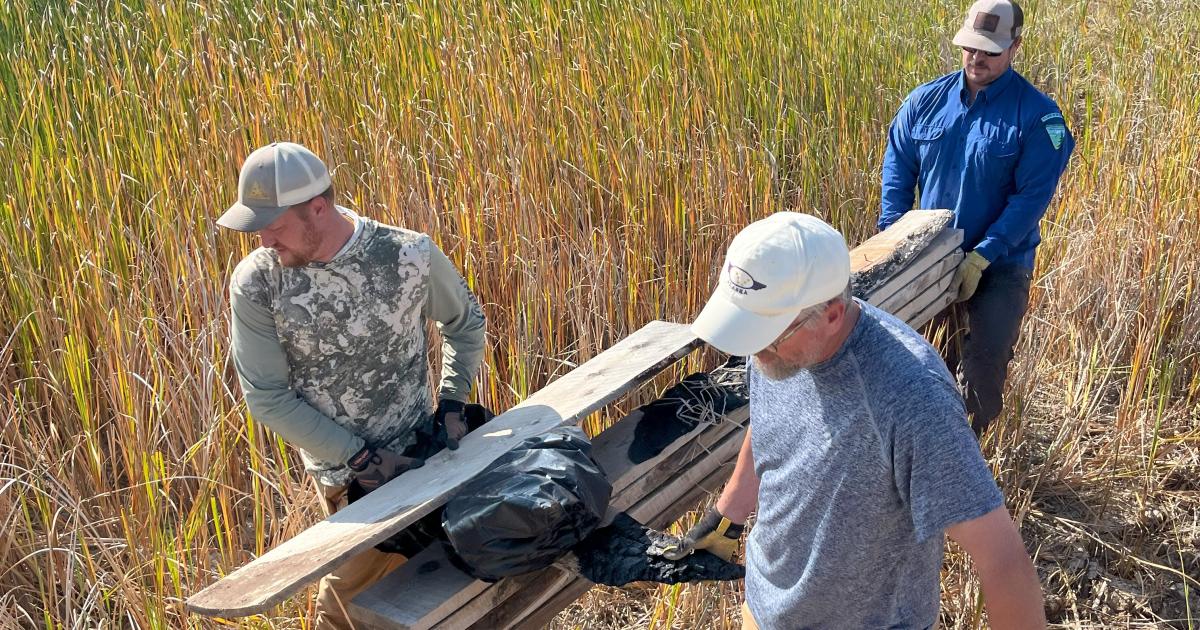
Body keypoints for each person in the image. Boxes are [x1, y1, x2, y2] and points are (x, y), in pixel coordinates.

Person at [659, 213, 1046, 629]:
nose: (756, 353)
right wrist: (729, 514)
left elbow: (1003, 560)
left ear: (831, 314)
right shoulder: (777, 348)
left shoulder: (910, 396)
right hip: (765, 610)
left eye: (767, 337)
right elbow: (772, 423)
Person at [217, 142, 487, 629]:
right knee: (359, 607)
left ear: (317, 209)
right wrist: (359, 458)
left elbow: (465, 325)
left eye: (274, 228)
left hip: (425, 458)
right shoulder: (257, 284)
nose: (263, 243)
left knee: (372, 608)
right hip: (346, 482)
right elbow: (267, 398)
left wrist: (451, 402)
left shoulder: (406, 255)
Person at [879, 0, 1074, 436]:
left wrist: (983, 256)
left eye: (989, 50)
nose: (976, 58)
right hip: (929, 259)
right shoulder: (924, 102)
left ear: (1015, 47)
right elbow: (897, 169)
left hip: (1000, 264)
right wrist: (894, 239)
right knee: (922, 366)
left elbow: (1030, 199)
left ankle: (975, 471)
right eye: (970, 47)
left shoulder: (1039, 118)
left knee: (982, 376)